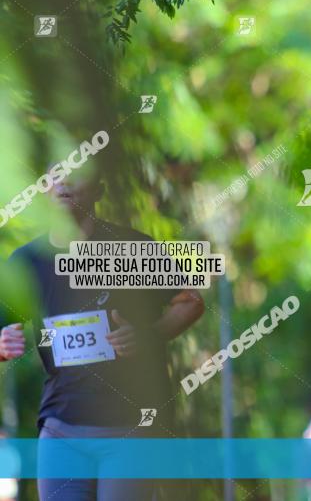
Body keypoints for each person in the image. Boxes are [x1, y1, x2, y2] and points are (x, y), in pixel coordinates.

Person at [0, 162, 205, 500]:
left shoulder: (132, 248)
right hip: (61, 427)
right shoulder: (27, 261)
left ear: (98, 188)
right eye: (55, 174)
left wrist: (149, 335)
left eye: (76, 173)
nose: (64, 182)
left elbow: (191, 302)